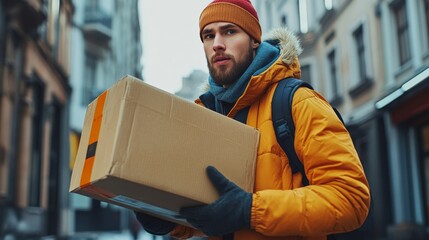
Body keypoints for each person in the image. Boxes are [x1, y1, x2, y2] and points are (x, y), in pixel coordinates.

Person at [135, 0, 371, 239]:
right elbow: (210, 212)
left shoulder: (298, 101)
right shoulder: (207, 114)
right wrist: (167, 221)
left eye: (229, 31)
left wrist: (251, 210)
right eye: (208, 35)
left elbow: (351, 200)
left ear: (254, 40)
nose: (217, 44)